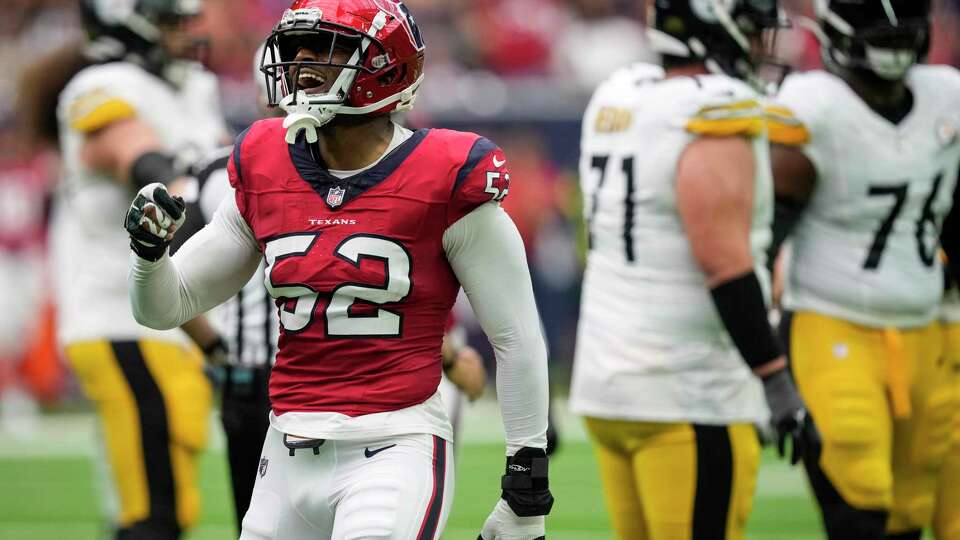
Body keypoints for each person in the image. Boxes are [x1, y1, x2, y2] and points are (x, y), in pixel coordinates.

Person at [125, 1, 554, 539]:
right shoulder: (265, 161)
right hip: (284, 450)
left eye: (325, 48)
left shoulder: (446, 174)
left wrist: (526, 482)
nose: (300, 62)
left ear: (385, 65)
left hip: (395, 446)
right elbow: (166, 308)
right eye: (296, 47)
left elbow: (514, 335)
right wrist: (149, 255)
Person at [569, 1, 818, 539]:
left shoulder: (618, 92)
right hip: (687, 390)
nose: (759, 44)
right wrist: (775, 378)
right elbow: (724, 265)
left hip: (607, 384)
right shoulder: (713, 110)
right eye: (751, 29)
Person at [771, 1, 960, 537]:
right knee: (860, 503)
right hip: (833, 321)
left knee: (911, 512)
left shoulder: (947, 96)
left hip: (927, 328)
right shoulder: (814, 107)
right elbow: (762, 238)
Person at [50, 0, 231, 537]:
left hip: (175, 321)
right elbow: (138, 159)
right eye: (170, 22)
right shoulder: (100, 84)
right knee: (154, 515)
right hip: (119, 317)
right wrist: (188, 195)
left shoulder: (196, 90)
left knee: (168, 504)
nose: (184, 34)